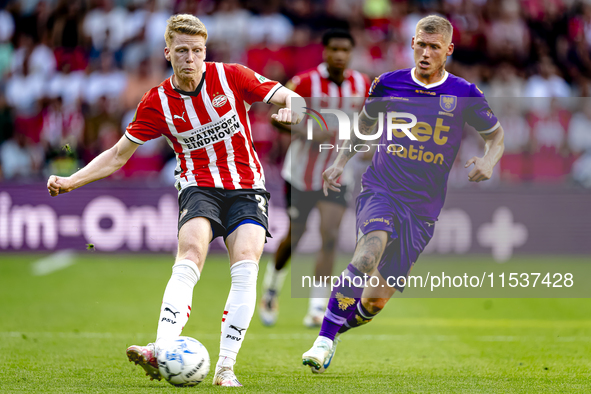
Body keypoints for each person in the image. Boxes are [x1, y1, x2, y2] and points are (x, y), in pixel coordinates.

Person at [46, 14, 302, 387]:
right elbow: (118, 155)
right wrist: (72, 180)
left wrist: (292, 108)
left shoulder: (232, 76)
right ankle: (162, 348)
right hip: (198, 187)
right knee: (191, 255)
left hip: (247, 187)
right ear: (168, 53)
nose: (190, 59)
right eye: (182, 51)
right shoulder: (157, 103)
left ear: (205, 52)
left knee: (247, 263)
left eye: (197, 51)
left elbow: (288, 95)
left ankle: (225, 367)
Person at [301, 15, 505, 373]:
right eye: (421, 45)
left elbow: (496, 136)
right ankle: (323, 339)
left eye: (434, 47)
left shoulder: (465, 93)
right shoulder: (388, 84)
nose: (425, 53)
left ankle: (338, 328)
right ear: (412, 44)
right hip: (382, 187)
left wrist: (489, 161)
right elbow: (364, 129)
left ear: (448, 51)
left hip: (423, 207)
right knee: (368, 252)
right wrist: (340, 161)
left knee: (374, 305)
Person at [259, 29, 371, 327]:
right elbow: (275, 116)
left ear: (350, 53)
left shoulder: (362, 84)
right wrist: (307, 130)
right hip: (300, 174)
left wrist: (368, 144)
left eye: (345, 50)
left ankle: (317, 306)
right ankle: (271, 289)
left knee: (330, 235)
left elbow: (368, 122)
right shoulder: (305, 82)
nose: (339, 55)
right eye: (334, 49)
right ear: (325, 51)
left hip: (338, 173)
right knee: (295, 236)